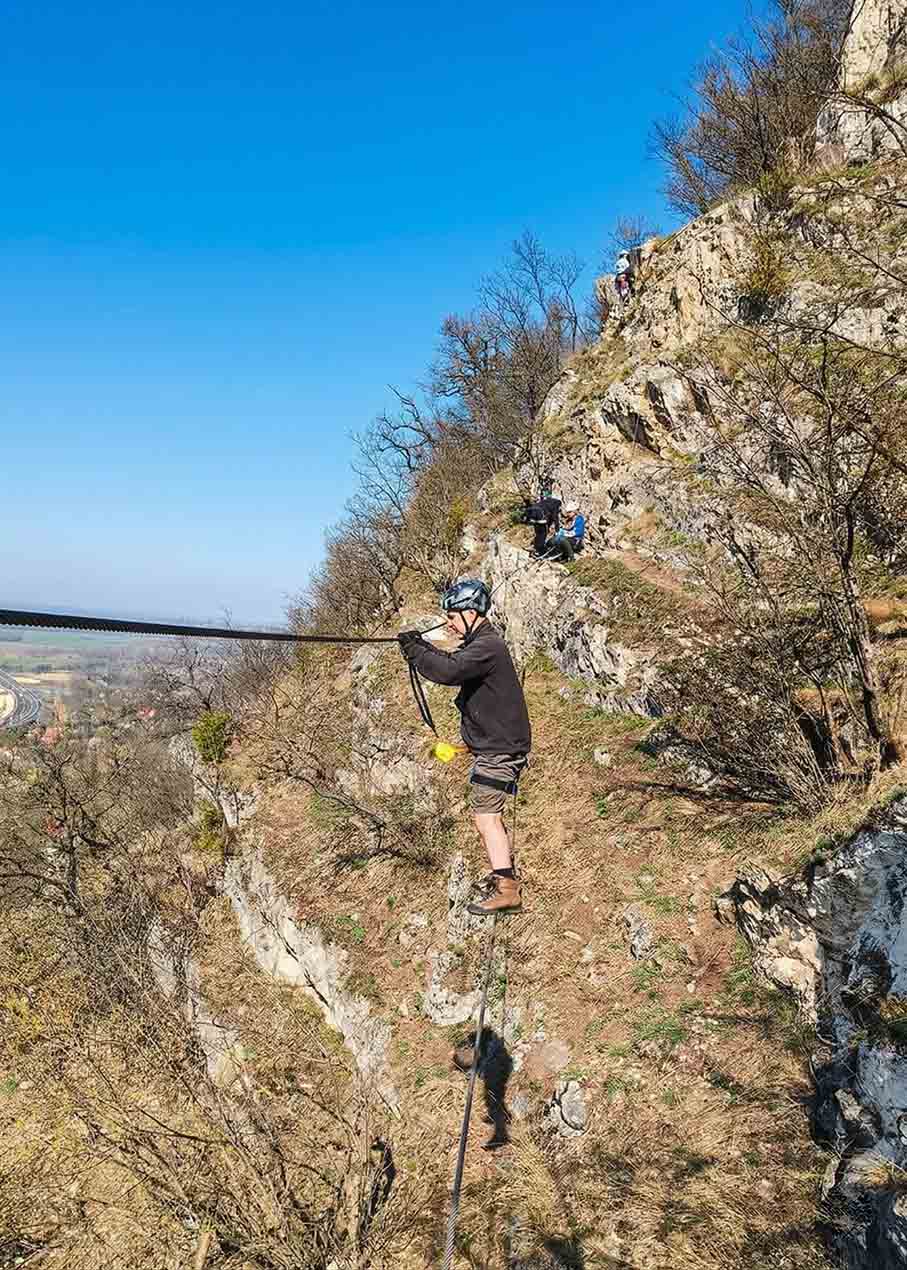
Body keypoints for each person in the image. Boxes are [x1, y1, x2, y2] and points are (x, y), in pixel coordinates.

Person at [397, 579, 531, 916]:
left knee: (487, 817)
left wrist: (415, 650)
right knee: (486, 816)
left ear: (471, 613)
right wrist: (420, 647)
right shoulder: (483, 643)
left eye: (454, 617)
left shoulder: (489, 646)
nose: (450, 624)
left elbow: (449, 670)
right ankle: (504, 880)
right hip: (495, 745)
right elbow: (452, 662)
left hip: (499, 750)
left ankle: (507, 888)